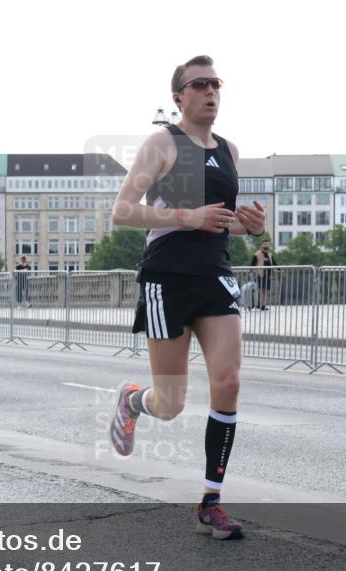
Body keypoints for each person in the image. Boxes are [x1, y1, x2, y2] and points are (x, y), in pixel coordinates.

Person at [109, 55, 266, 539]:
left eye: (215, 83)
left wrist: (248, 225)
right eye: (199, 84)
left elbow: (222, 218)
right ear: (179, 96)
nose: (210, 91)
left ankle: (211, 500)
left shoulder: (229, 150)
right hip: (167, 278)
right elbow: (123, 211)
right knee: (171, 403)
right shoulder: (162, 144)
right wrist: (187, 216)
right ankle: (133, 402)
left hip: (214, 275)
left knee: (229, 381)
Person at [251, 238, 275, 310]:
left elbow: (274, 263)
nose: (266, 245)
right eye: (264, 244)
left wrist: (281, 270)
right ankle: (258, 303)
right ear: (262, 245)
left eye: (267, 244)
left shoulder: (270, 254)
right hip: (260, 274)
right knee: (260, 290)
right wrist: (250, 271)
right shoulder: (257, 254)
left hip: (268, 275)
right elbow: (252, 263)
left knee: (265, 291)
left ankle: (263, 305)